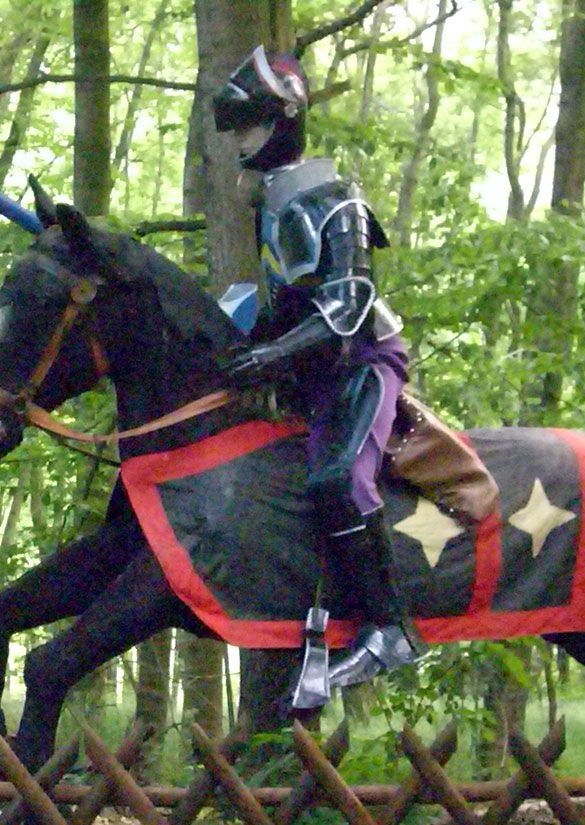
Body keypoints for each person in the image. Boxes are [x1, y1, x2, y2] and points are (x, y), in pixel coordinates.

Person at [213, 45, 425, 708]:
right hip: (311, 381)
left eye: (249, 125)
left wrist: (271, 356)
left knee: (339, 480)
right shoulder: (274, 207)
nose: (240, 141)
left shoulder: (338, 202)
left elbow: (348, 304)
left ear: (282, 120)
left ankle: (392, 629)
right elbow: (282, 306)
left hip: (364, 364)